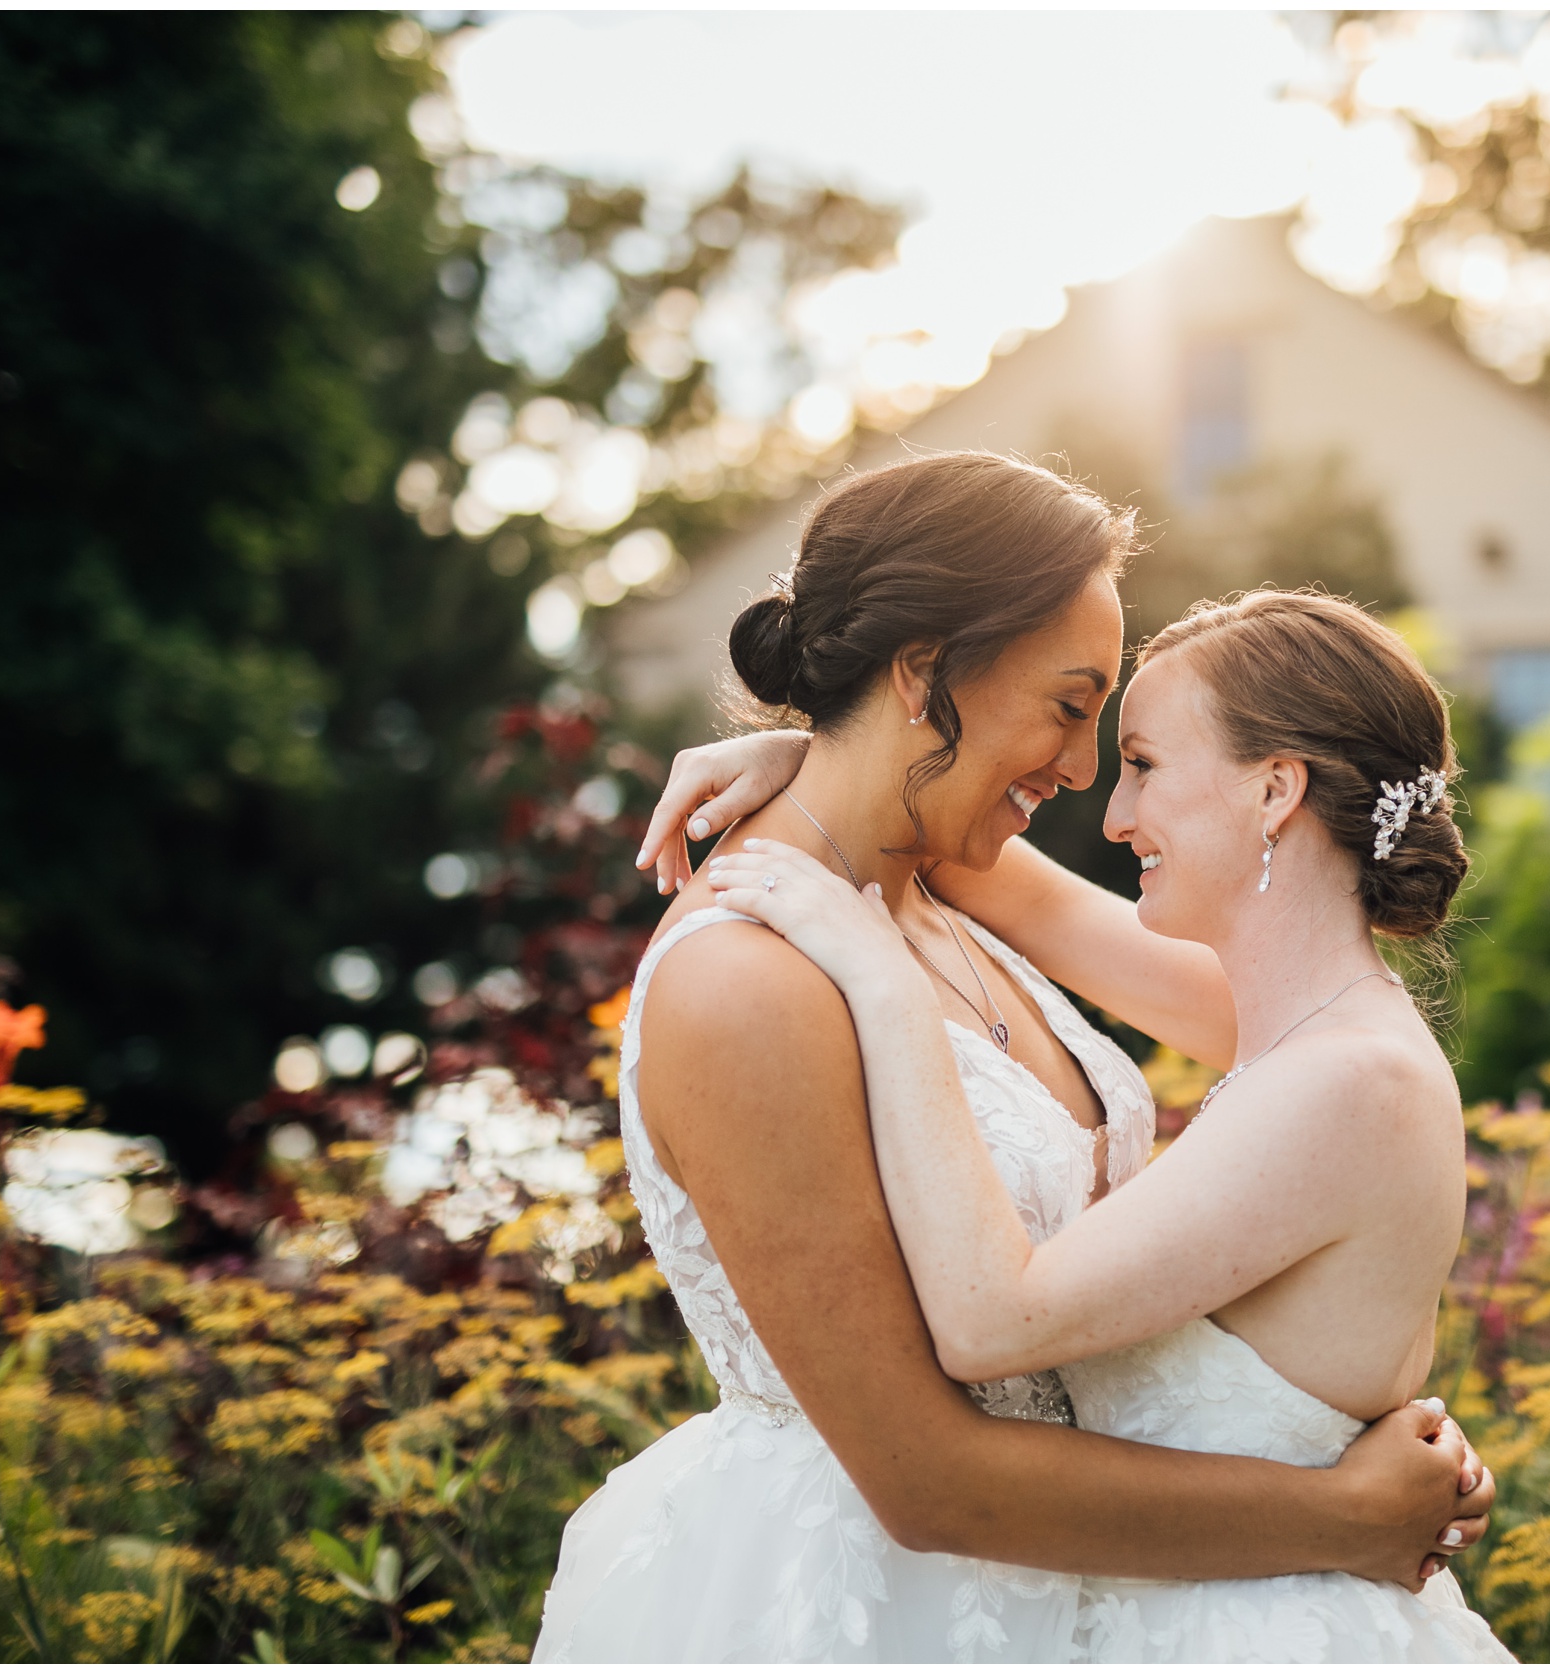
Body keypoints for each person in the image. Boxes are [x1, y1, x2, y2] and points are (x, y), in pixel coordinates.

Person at [535, 454, 1495, 1663]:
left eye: (1123, 738)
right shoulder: (750, 981)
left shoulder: (945, 892)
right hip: (876, 1605)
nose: (1091, 773)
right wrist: (1342, 1517)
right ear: (926, 674)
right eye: (1071, 704)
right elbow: (927, 1475)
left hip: (1106, 1594)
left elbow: (1285, 1012)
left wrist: (828, 767)